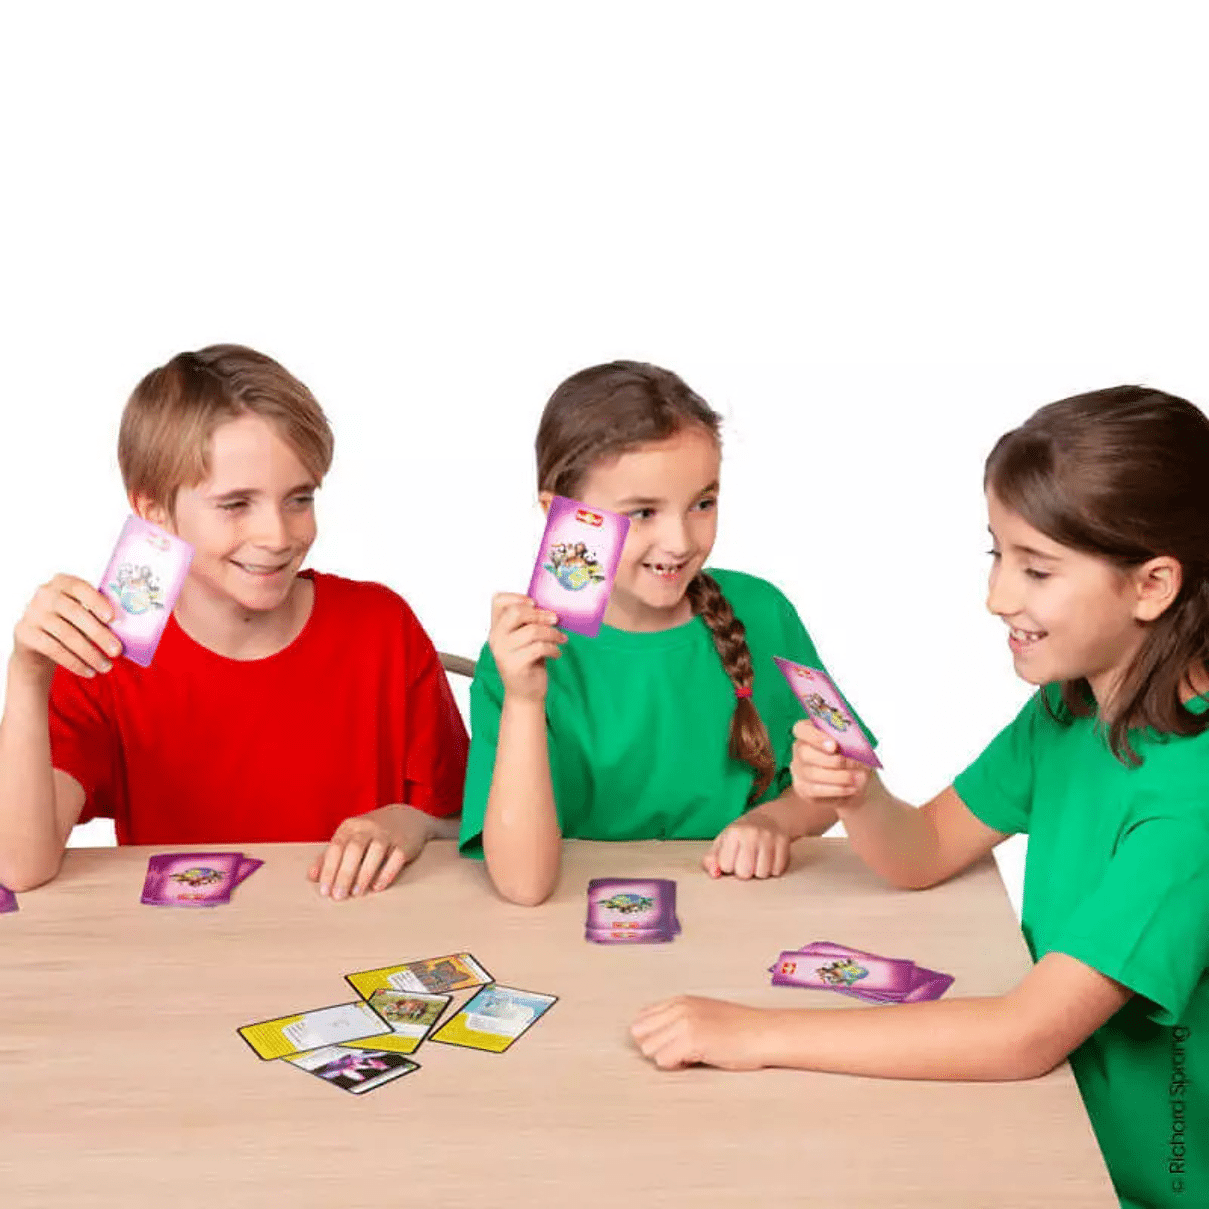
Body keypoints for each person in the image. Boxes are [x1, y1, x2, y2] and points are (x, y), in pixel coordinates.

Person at [632, 385, 1209, 1209]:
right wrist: (858, 795)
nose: (997, 596)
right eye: (996, 555)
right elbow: (925, 849)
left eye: (1036, 568)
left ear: (1151, 584)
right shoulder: (1071, 706)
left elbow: (1023, 1035)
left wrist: (750, 1030)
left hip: (1144, 1184)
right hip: (1047, 1128)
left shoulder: (1191, 801)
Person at [0, 344, 467, 899]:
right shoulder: (101, 654)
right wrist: (27, 675)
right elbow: (18, 865)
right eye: (236, 504)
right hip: (186, 947)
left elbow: (465, 821)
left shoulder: (382, 627)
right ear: (153, 511)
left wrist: (412, 822)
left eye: (299, 499)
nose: (278, 535)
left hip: (356, 932)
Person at [460, 360, 870, 905]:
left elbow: (848, 771)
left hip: (747, 909)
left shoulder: (764, 612)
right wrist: (524, 701)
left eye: (703, 503)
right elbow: (523, 885)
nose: (679, 542)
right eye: (643, 512)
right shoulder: (521, 658)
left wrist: (777, 821)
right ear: (562, 515)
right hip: (574, 925)